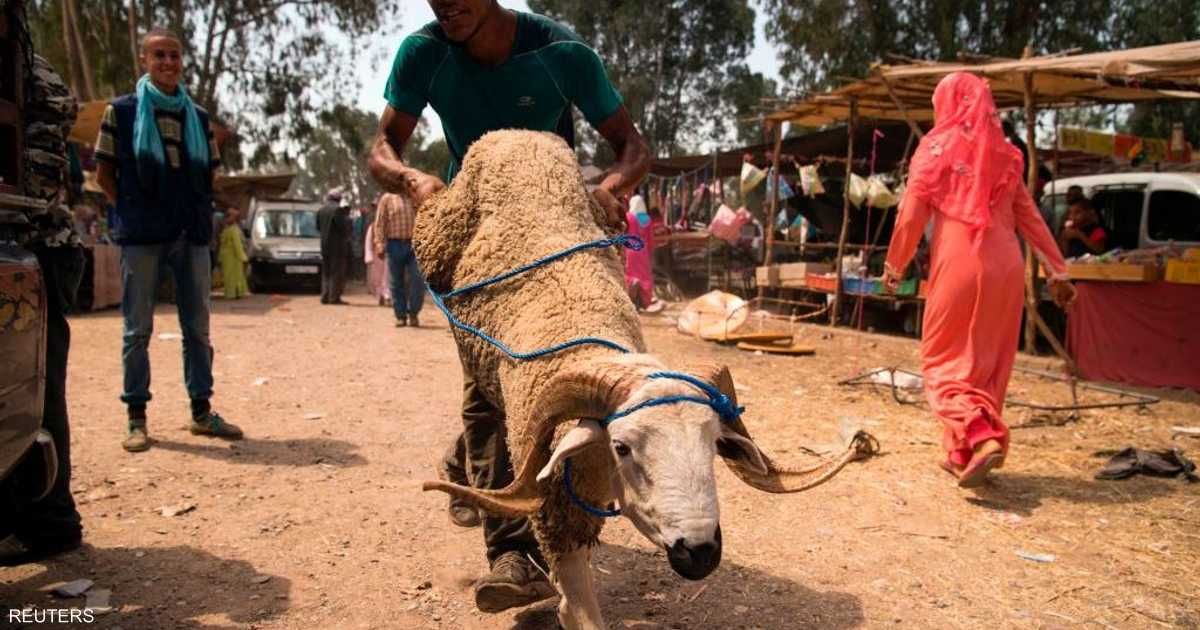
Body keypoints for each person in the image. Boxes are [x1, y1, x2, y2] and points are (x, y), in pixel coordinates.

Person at [367, 0, 650, 613]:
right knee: (487, 380)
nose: (444, 5)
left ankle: (473, 462)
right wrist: (414, 180)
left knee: (560, 370)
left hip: (555, 231)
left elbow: (632, 146)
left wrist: (610, 188)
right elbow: (382, 148)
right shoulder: (423, 52)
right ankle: (513, 552)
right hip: (478, 239)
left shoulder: (561, 54)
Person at [883, 73, 1076, 489]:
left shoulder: (935, 149)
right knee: (984, 360)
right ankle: (960, 451)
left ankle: (980, 434)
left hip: (959, 266)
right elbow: (1032, 220)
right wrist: (1057, 270)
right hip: (1007, 268)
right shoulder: (1007, 157)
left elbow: (912, 216)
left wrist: (895, 266)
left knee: (940, 360)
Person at [95, 27, 243, 453]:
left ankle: (201, 412)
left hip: (191, 234)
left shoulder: (197, 118)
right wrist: (132, 211)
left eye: (174, 56)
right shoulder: (120, 113)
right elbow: (105, 177)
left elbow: (209, 175)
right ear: (144, 61)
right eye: (158, 55)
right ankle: (136, 417)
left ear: (182, 61)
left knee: (197, 329)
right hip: (141, 236)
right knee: (136, 330)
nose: (167, 63)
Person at [0, 42, 85, 565]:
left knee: (33, 386)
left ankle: (46, 518)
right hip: (36, 245)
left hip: (35, 245)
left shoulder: (27, 71)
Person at [372, 192, 422, 326]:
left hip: (414, 244)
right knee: (396, 282)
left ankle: (414, 314)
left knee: (418, 280)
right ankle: (400, 316)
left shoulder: (415, 196)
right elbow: (380, 222)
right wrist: (379, 244)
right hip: (394, 244)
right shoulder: (387, 198)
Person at [317, 189, 352, 305]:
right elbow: (343, 228)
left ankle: (324, 296)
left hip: (324, 245)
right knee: (336, 272)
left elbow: (318, 227)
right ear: (338, 199)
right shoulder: (338, 210)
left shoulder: (321, 210)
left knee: (326, 272)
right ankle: (334, 298)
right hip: (336, 246)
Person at [218, 208, 249, 298]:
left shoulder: (233, 230)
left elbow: (237, 244)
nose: (226, 219)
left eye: (228, 216)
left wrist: (242, 257)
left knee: (232, 276)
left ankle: (233, 294)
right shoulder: (231, 229)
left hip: (233, 257)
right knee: (232, 276)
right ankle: (235, 293)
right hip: (229, 257)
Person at [364, 212, 391, 307]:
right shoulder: (372, 227)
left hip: (388, 254)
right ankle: (380, 295)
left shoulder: (389, 226)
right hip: (376, 256)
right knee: (377, 277)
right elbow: (368, 242)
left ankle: (387, 295)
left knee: (387, 276)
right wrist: (369, 256)